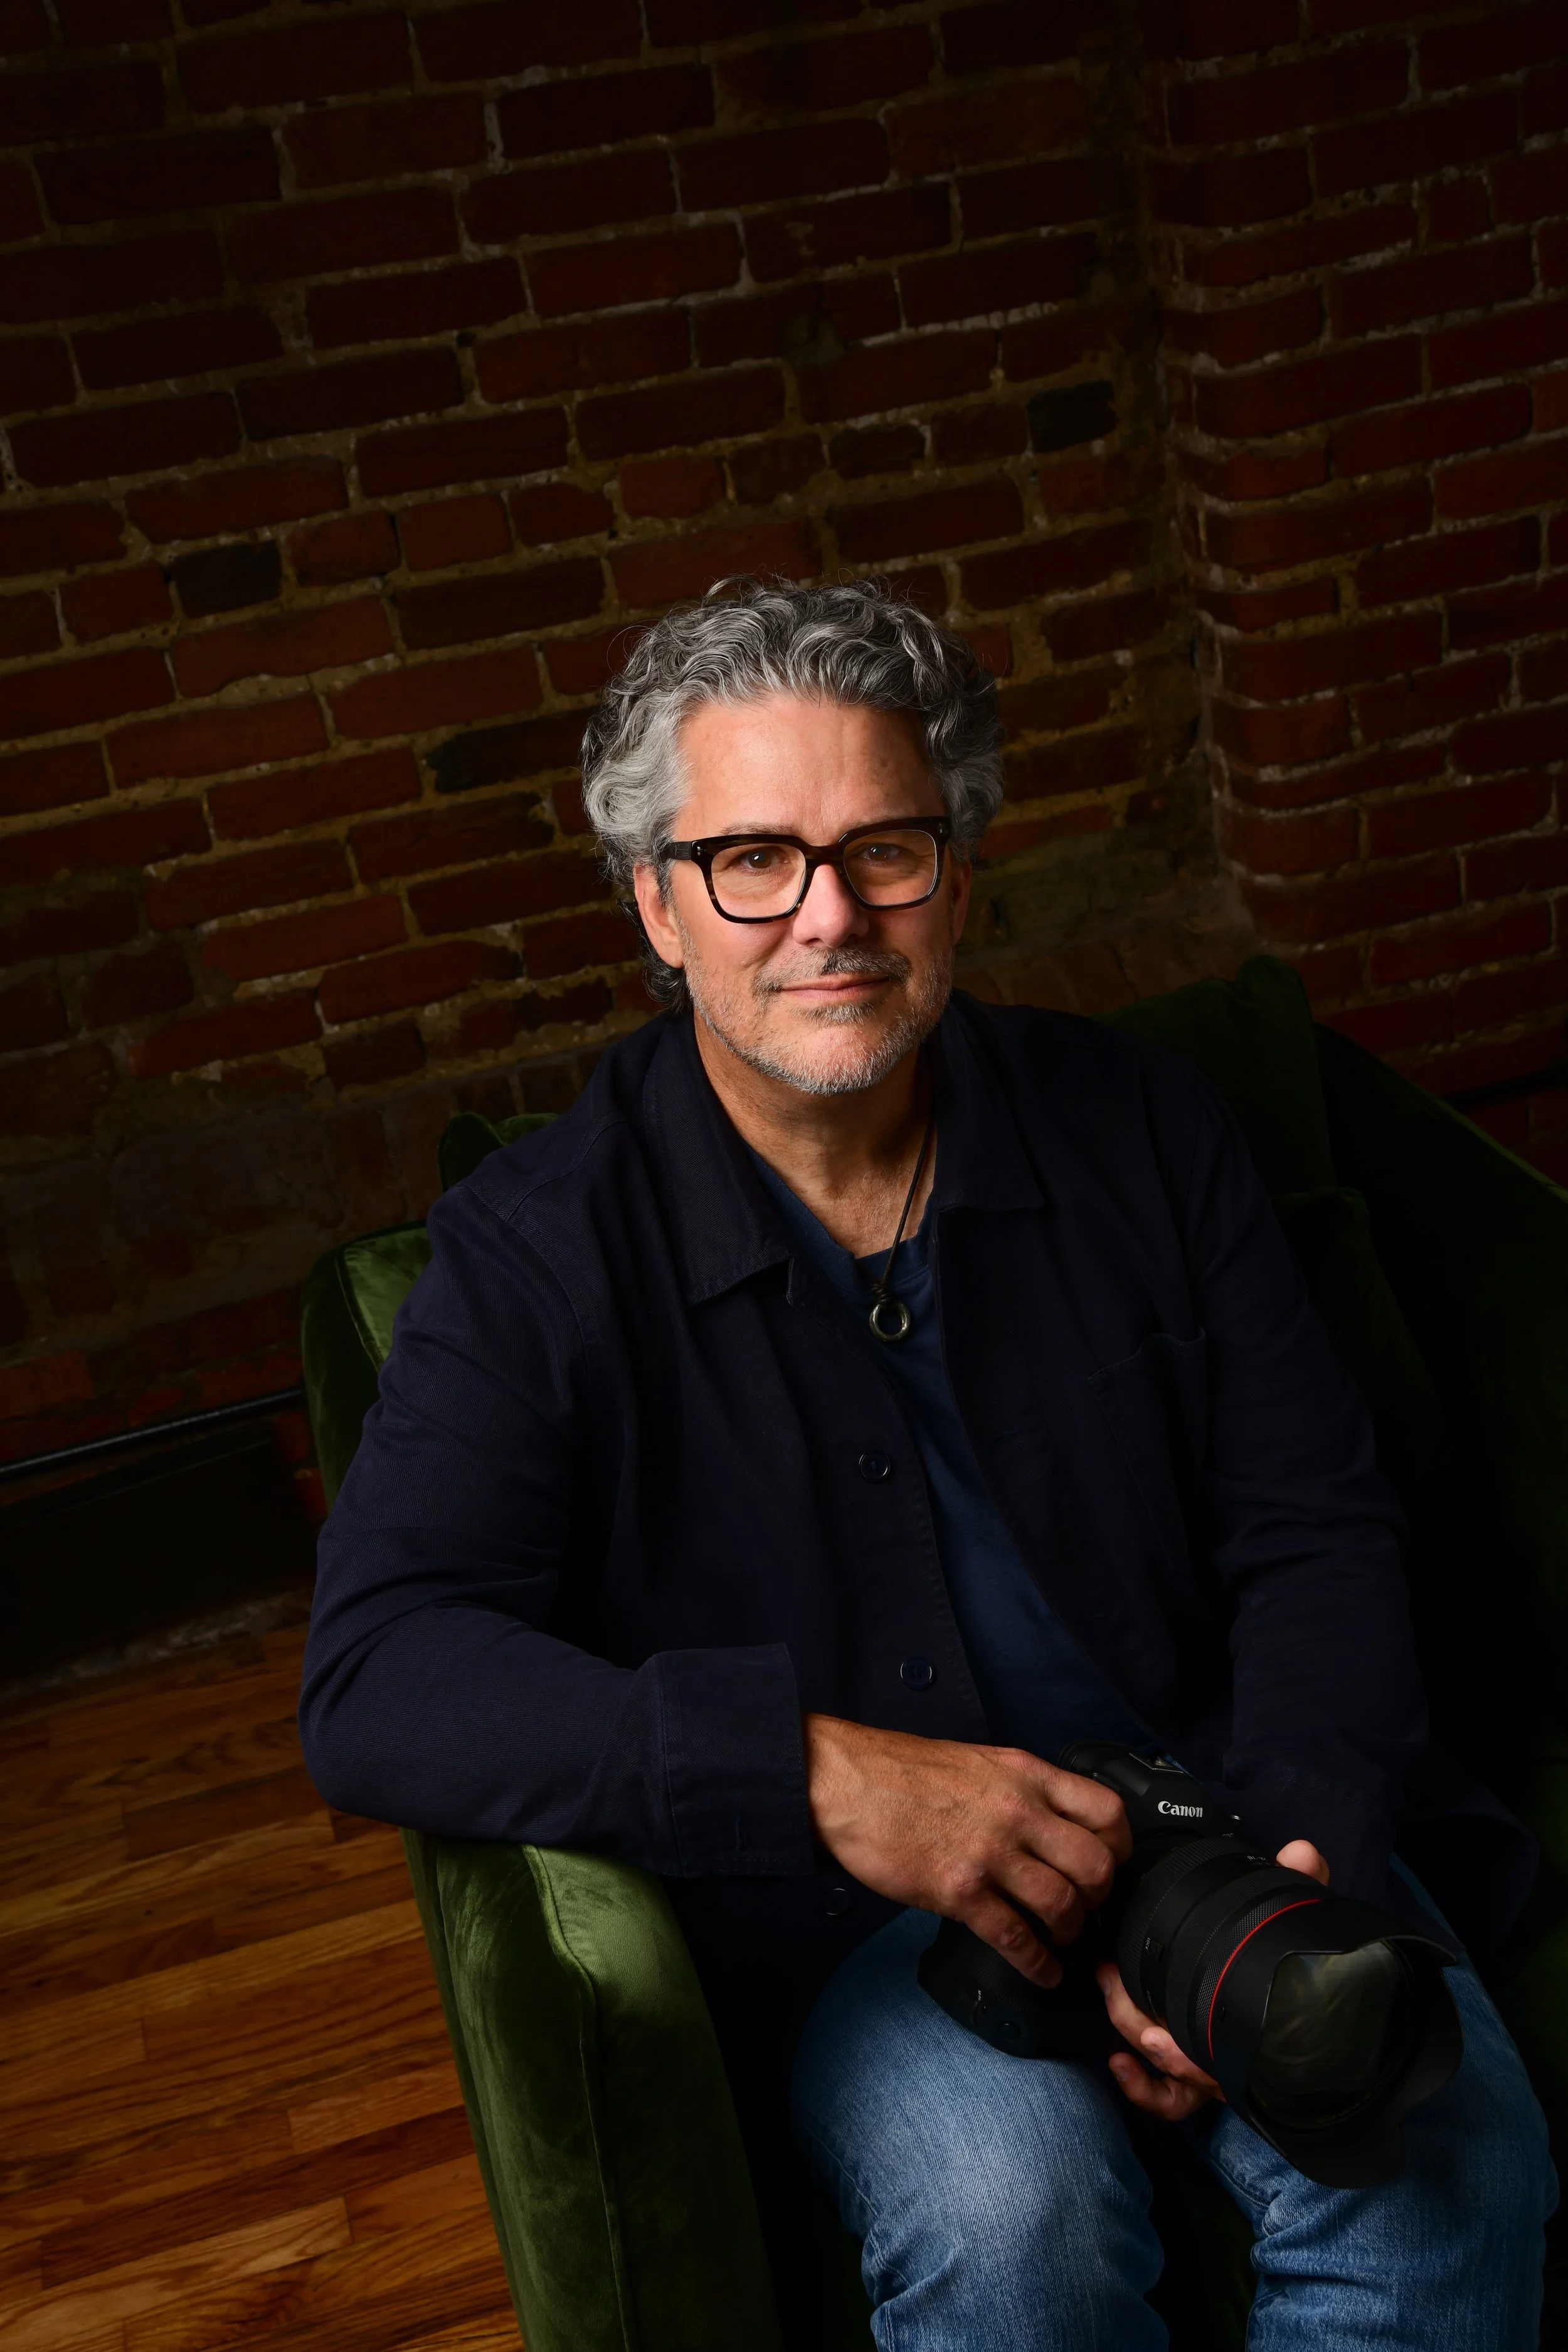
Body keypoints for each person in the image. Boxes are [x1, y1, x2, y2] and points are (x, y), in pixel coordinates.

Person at [300, 579, 1554, 2349]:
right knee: (1002, 2224)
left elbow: (1315, 1534)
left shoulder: (1144, 1133)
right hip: (862, 1920)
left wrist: (1294, 1866)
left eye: (883, 847)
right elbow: (374, 1677)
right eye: (752, 859)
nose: (827, 916)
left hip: (1229, 1813)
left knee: (1439, 2168)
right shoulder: (530, 1254)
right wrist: (817, 1769)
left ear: (957, 874)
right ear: (658, 905)